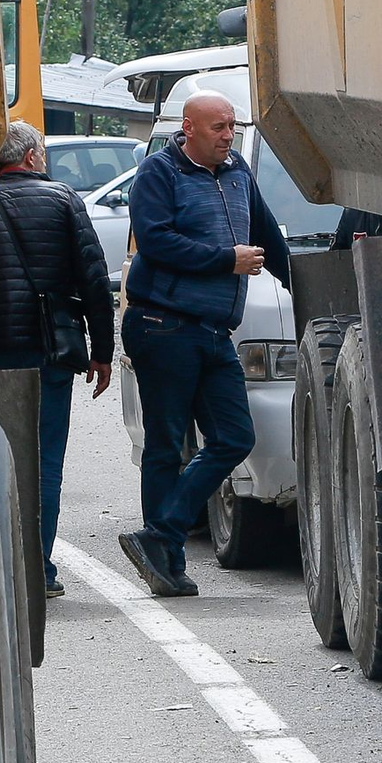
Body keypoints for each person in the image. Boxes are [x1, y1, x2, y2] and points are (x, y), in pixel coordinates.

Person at [0, 120, 114, 598]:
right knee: (45, 462)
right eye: (44, 151)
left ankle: (4, 567)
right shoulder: (64, 200)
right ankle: (40, 571)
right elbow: (94, 280)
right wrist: (102, 352)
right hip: (53, 352)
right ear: (32, 157)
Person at [118, 91, 290, 597]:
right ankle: (167, 565)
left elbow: (269, 239)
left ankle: (160, 533)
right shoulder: (159, 173)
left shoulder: (238, 172)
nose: (227, 136)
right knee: (166, 443)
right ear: (188, 128)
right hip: (163, 325)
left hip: (216, 331)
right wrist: (225, 259)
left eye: (232, 126)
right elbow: (155, 241)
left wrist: (304, 290)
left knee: (235, 437)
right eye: (218, 127)